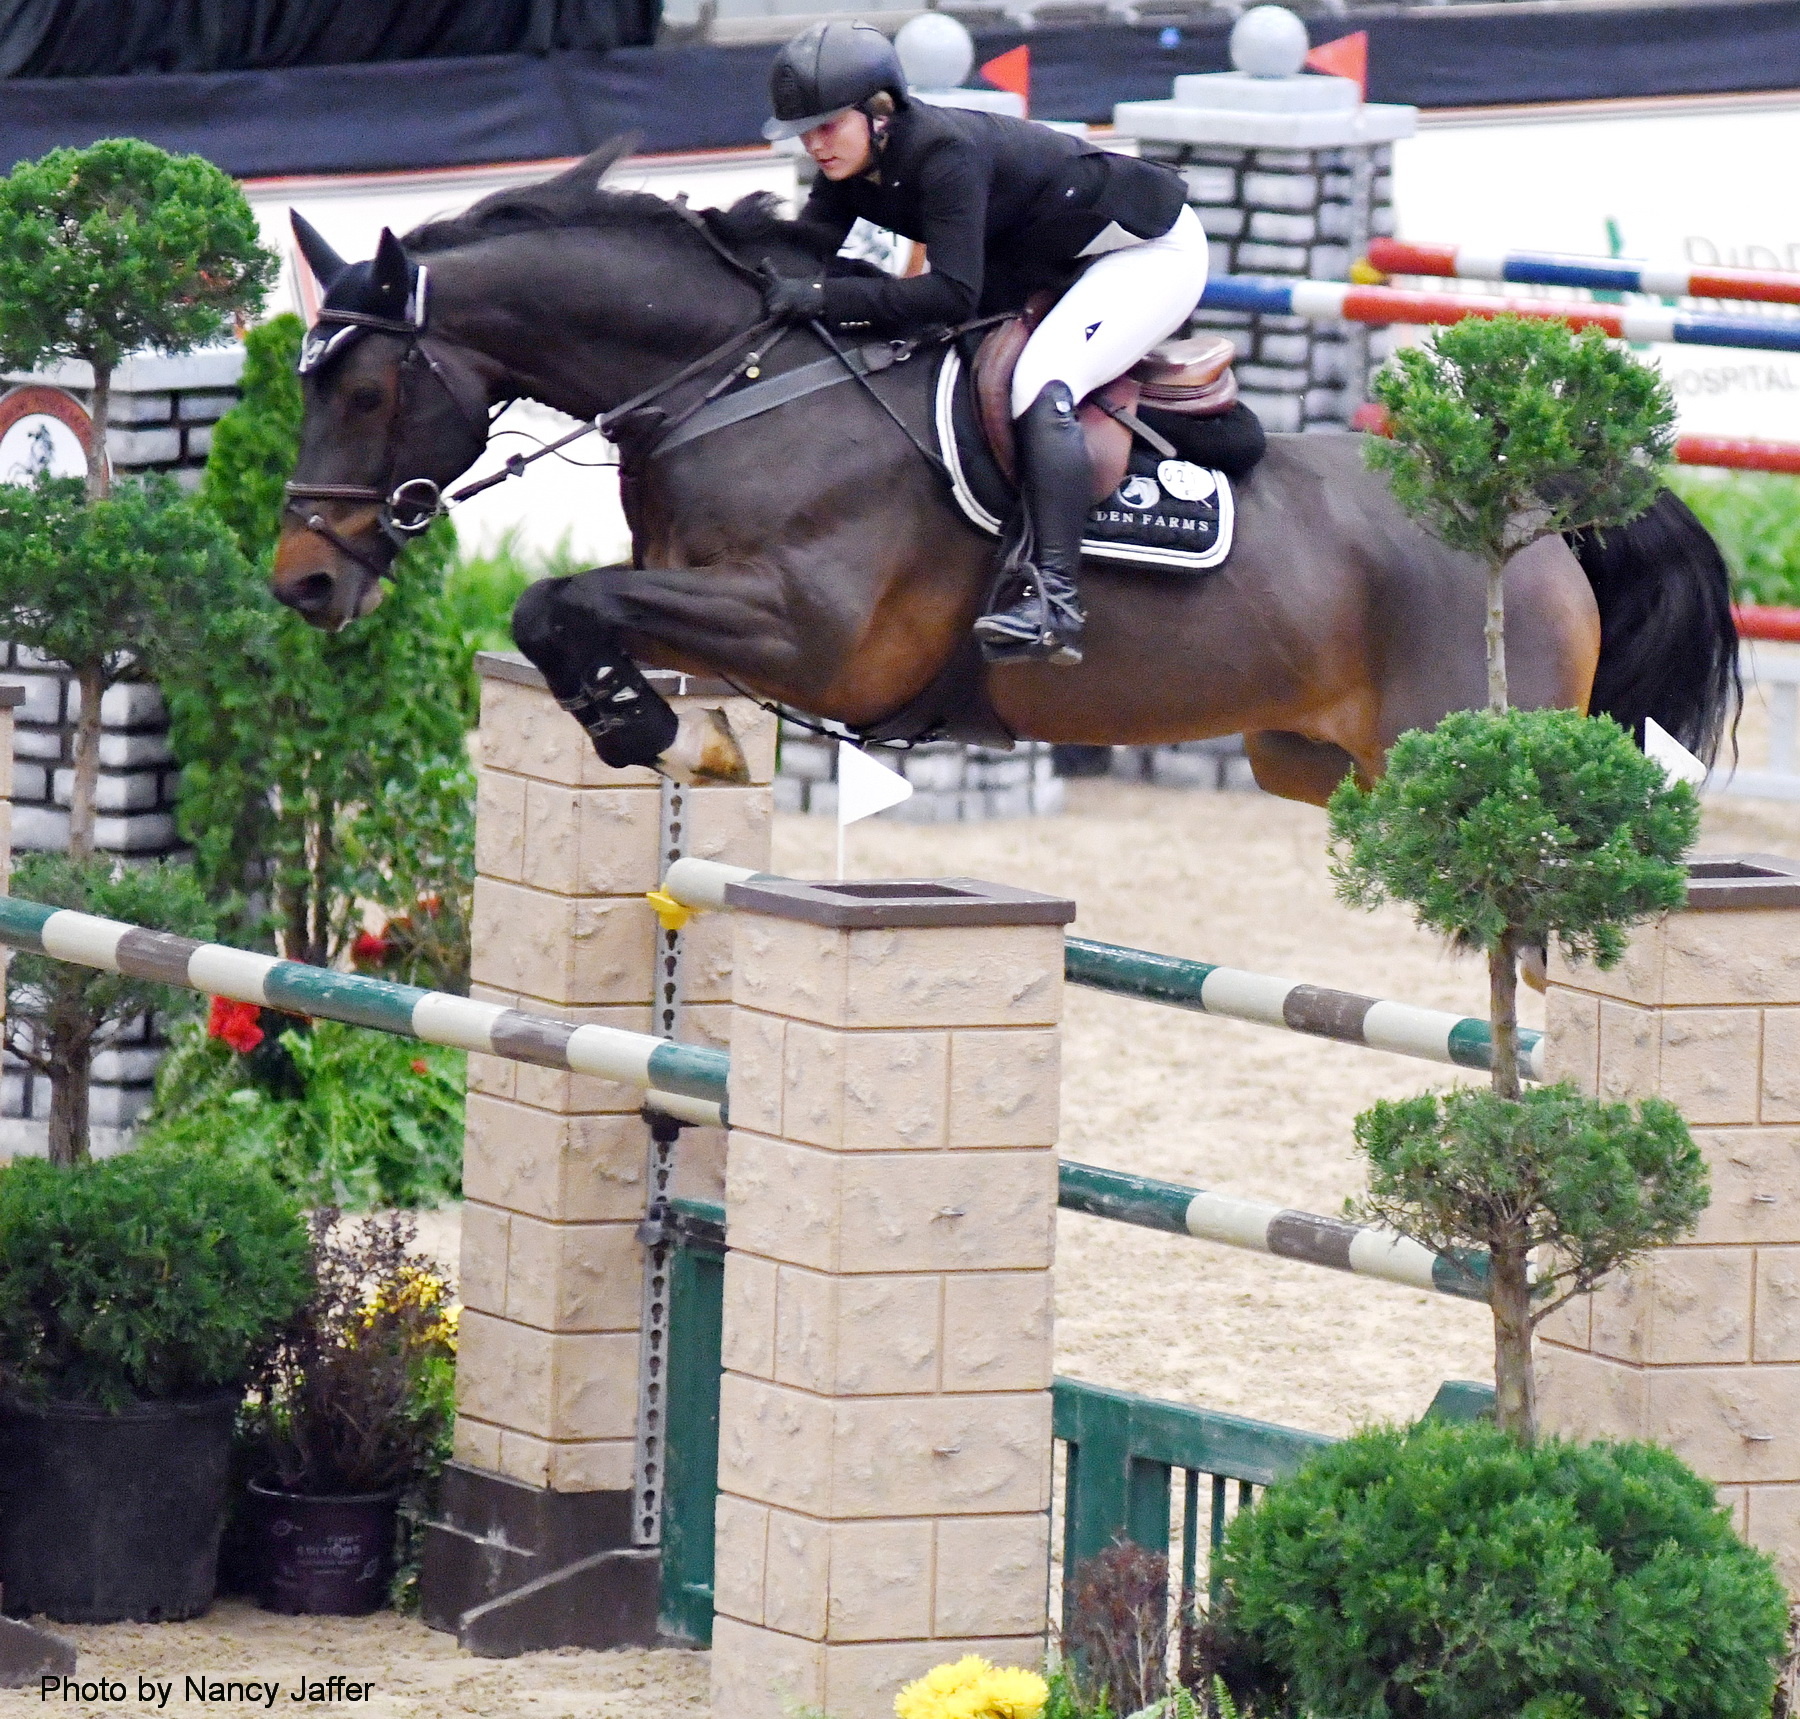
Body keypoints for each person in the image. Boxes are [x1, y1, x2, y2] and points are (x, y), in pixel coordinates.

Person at [759, 19, 1208, 666]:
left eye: (828, 126)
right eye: (806, 131)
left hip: (1146, 251)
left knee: (1041, 379)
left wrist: (825, 299)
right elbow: (805, 257)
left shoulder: (944, 155)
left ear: (879, 113)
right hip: (1049, 256)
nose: (815, 144)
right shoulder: (849, 170)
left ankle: (1054, 599)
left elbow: (950, 295)